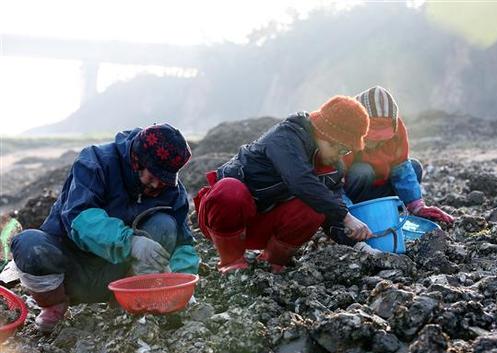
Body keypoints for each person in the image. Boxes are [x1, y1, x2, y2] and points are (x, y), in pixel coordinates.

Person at [11, 124, 200, 333]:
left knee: (165, 224)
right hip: (71, 267)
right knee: (30, 245)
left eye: (164, 179)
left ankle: (130, 303)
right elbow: (80, 218)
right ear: (137, 160)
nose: (157, 185)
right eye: (153, 175)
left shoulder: (171, 191)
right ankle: (55, 305)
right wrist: (130, 242)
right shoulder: (95, 162)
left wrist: (184, 285)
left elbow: (183, 242)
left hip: (119, 274)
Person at [194, 96, 373, 274]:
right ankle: (231, 264)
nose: (341, 156)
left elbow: (331, 212)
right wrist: (346, 216)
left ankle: (271, 265)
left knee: (316, 207)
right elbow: (300, 180)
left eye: (347, 151)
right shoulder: (285, 137)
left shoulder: (333, 169)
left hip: (264, 227)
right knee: (230, 190)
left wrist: (360, 245)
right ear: (323, 134)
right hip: (224, 221)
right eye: (341, 148)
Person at [343, 86, 454, 224]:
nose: (377, 142)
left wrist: (417, 206)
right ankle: (359, 213)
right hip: (354, 193)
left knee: (414, 166)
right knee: (362, 171)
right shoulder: (347, 132)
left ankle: (391, 210)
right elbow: (333, 184)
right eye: (372, 136)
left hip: (380, 190)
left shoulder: (397, 128)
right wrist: (345, 215)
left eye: (382, 138)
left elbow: (402, 168)